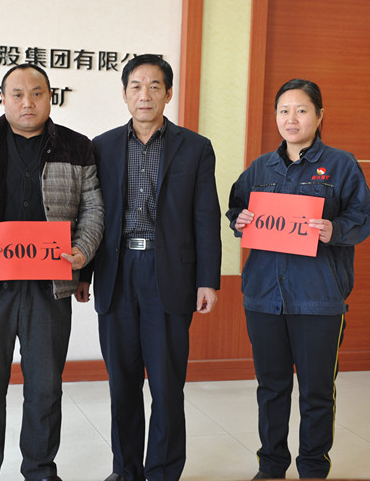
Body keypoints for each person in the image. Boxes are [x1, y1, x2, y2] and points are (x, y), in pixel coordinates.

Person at [0, 64, 104, 481]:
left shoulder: (77, 146)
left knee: (45, 388)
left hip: (49, 288)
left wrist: (84, 250)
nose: (27, 102)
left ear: (51, 97)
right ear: (2, 98)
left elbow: (93, 208)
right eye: (17, 94)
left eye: (37, 93)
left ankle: (40, 470)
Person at [77, 54, 221, 481]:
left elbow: (206, 217)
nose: (145, 95)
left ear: (168, 93)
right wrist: (84, 274)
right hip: (116, 271)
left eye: (154, 86)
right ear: (124, 94)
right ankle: (126, 471)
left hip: (169, 274)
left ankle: (162, 472)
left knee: (166, 384)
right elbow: (91, 213)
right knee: (121, 384)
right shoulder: (101, 146)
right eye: (136, 86)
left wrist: (207, 280)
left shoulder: (195, 147)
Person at [226, 78, 370, 479]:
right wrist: (239, 220)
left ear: (319, 116)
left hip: (318, 297)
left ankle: (312, 467)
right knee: (271, 388)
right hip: (264, 296)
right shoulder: (260, 167)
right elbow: (235, 208)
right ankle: (272, 465)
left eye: (301, 110)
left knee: (316, 391)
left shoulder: (341, 165)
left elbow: (365, 218)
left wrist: (334, 229)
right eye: (283, 111)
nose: (291, 119)